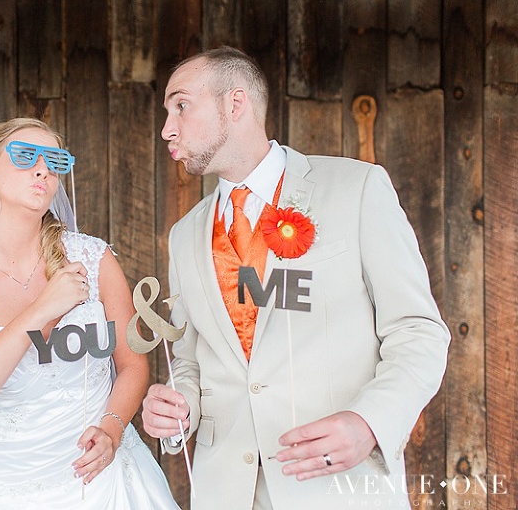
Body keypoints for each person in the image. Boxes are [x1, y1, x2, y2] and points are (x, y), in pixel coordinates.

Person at [141, 47, 451, 509]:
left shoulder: (357, 188)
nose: (167, 128)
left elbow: (418, 331)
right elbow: (189, 361)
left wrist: (370, 423)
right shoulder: (185, 235)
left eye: (181, 105)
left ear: (235, 103)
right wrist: (177, 408)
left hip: (338, 489)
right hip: (225, 493)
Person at [0, 118, 180, 510]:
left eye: (55, 161)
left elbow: (132, 364)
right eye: (25, 156)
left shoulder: (94, 259)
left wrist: (111, 429)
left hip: (104, 480)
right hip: (8, 490)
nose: (43, 169)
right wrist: (41, 309)